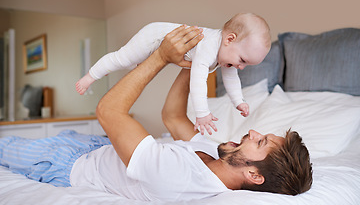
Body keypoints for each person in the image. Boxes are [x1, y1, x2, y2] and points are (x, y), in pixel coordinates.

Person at [0, 26, 312, 202]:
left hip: (68, 164)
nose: (253, 132)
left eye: (260, 143)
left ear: (254, 176)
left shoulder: (182, 177)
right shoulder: (218, 153)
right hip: (97, 148)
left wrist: (161, 57)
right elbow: (173, 117)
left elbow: (108, 111)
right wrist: (198, 61)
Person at [75, 13, 272, 135]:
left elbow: (231, 79)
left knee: (134, 64)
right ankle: (90, 76)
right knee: (123, 59)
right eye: (243, 60)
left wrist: (239, 101)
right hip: (154, 36)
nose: (241, 67)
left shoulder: (227, 54)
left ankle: (131, 65)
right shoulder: (209, 47)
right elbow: (198, 82)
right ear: (230, 39)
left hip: (163, 42)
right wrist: (202, 114)